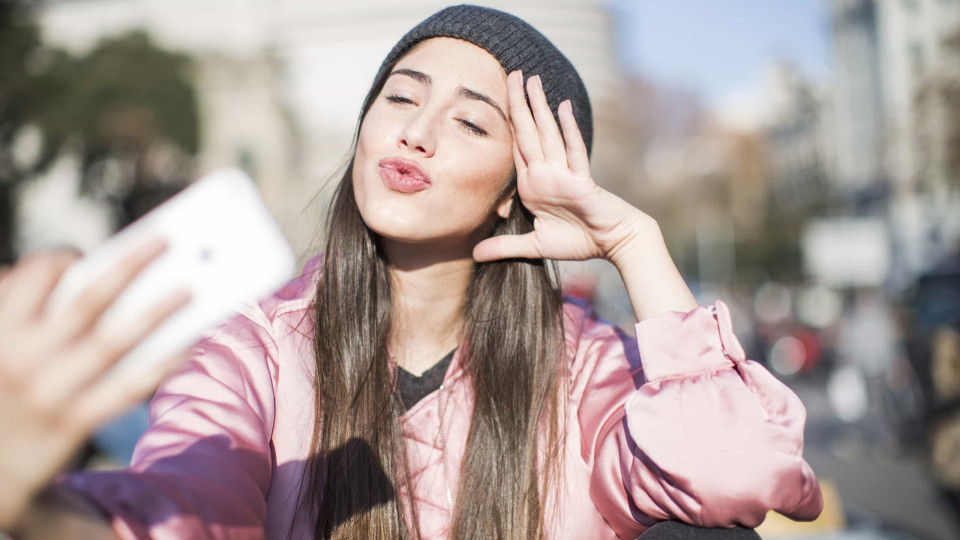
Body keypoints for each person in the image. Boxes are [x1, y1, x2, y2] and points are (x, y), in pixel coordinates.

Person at [2, 5, 824, 539]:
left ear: (517, 188)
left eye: (471, 121)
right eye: (400, 97)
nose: (417, 132)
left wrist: (636, 244)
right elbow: (181, 515)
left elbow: (740, 475)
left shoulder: (587, 370)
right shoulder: (250, 354)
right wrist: (31, 506)